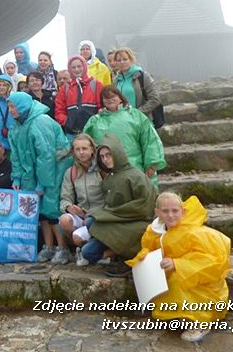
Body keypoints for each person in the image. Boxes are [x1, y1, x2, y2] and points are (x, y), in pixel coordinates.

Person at [126, 193, 232, 343]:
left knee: (177, 279)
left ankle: (200, 321)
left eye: (175, 211)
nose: (170, 215)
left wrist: (178, 263)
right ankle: (179, 314)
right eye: (165, 211)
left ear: (183, 211)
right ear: (157, 212)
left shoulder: (194, 232)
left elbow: (210, 259)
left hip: (198, 278)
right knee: (166, 280)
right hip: (167, 271)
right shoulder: (154, 231)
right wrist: (145, 256)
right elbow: (148, 247)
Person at [7, 92, 73, 265]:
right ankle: (49, 246)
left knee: (52, 208)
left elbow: (47, 155)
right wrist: (17, 177)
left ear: (22, 106)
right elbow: (16, 155)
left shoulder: (40, 122)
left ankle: (63, 248)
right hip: (34, 170)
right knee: (39, 209)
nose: (10, 110)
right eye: (9, 107)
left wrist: (42, 183)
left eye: (13, 106)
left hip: (54, 168)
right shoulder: (17, 125)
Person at [84, 134, 157, 276]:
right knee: (88, 248)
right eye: (102, 157)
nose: (105, 159)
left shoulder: (136, 176)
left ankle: (125, 256)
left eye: (109, 155)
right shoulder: (110, 178)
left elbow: (146, 206)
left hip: (137, 223)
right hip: (118, 222)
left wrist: (113, 214)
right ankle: (117, 252)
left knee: (92, 230)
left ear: (118, 154)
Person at [83, 86, 166, 187]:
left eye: (113, 96)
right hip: (107, 172)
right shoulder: (94, 121)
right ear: (102, 101)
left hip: (136, 169)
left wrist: (152, 165)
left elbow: (150, 140)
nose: (110, 100)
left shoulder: (136, 116)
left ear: (120, 98)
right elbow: (85, 144)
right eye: (106, 98)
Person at [57, 134, 105, 266]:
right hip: (82, 215)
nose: (81, 152)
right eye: (77, 149)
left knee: (80, 236)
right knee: (64, 220)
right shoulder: (71, 172)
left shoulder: (102, 170)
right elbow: (65, 198)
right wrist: (69, 207)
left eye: (84, 148)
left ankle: (95, 248)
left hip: (100, 217)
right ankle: (81, 248)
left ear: (92, 150)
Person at [54, 55, 103, 137]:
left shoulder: (96, 85)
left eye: (79, 66)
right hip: (72, 133)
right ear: (69, 69)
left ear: (84, 66)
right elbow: (59, 110)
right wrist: (68, 122)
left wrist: (95, 124)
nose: (76, 70)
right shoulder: (64, 89)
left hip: (93, 132)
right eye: (73, 67)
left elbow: (102, 107)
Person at [113, 47, 162, 125]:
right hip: (124, 122)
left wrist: (137, 112)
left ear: (131, 60)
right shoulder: (116, 80)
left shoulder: (143, 76)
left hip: (142, 121)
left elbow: (155, 99)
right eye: (119, 60)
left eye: (125, 59)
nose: (122, 62)